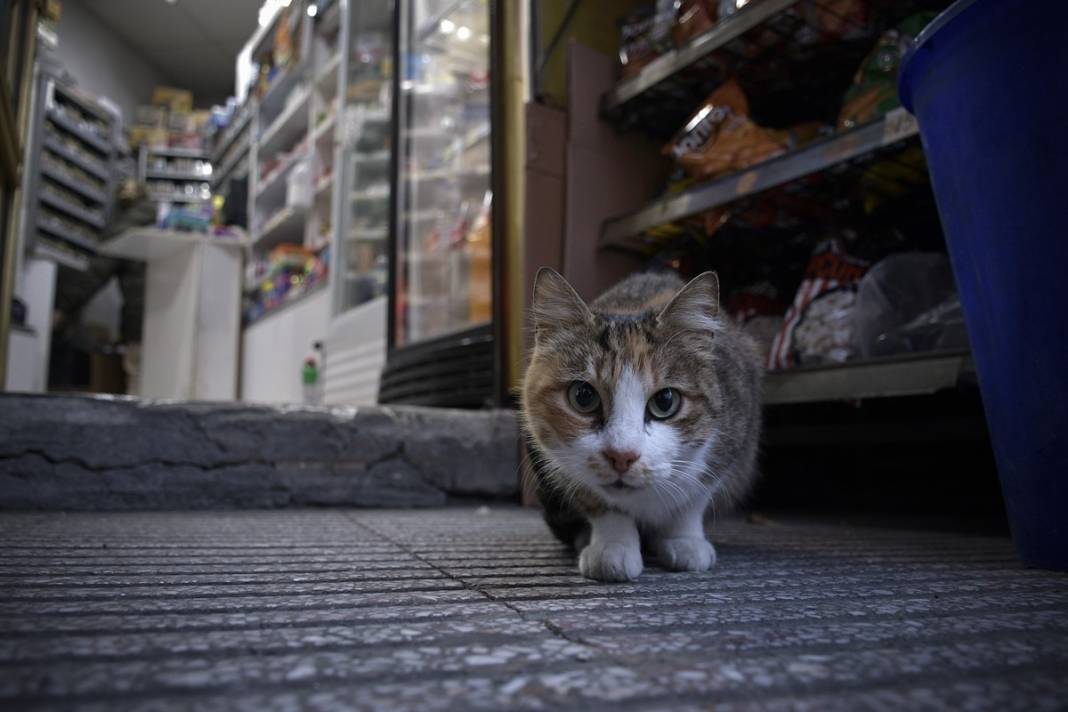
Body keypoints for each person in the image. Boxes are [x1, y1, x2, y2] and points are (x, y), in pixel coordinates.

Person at [51, 179, 155, 394]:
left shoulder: (123, 231)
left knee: (139, 388)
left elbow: (94, 275)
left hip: (139, 324)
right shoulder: (162, 224)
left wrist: (62, 308)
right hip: (169, 321)